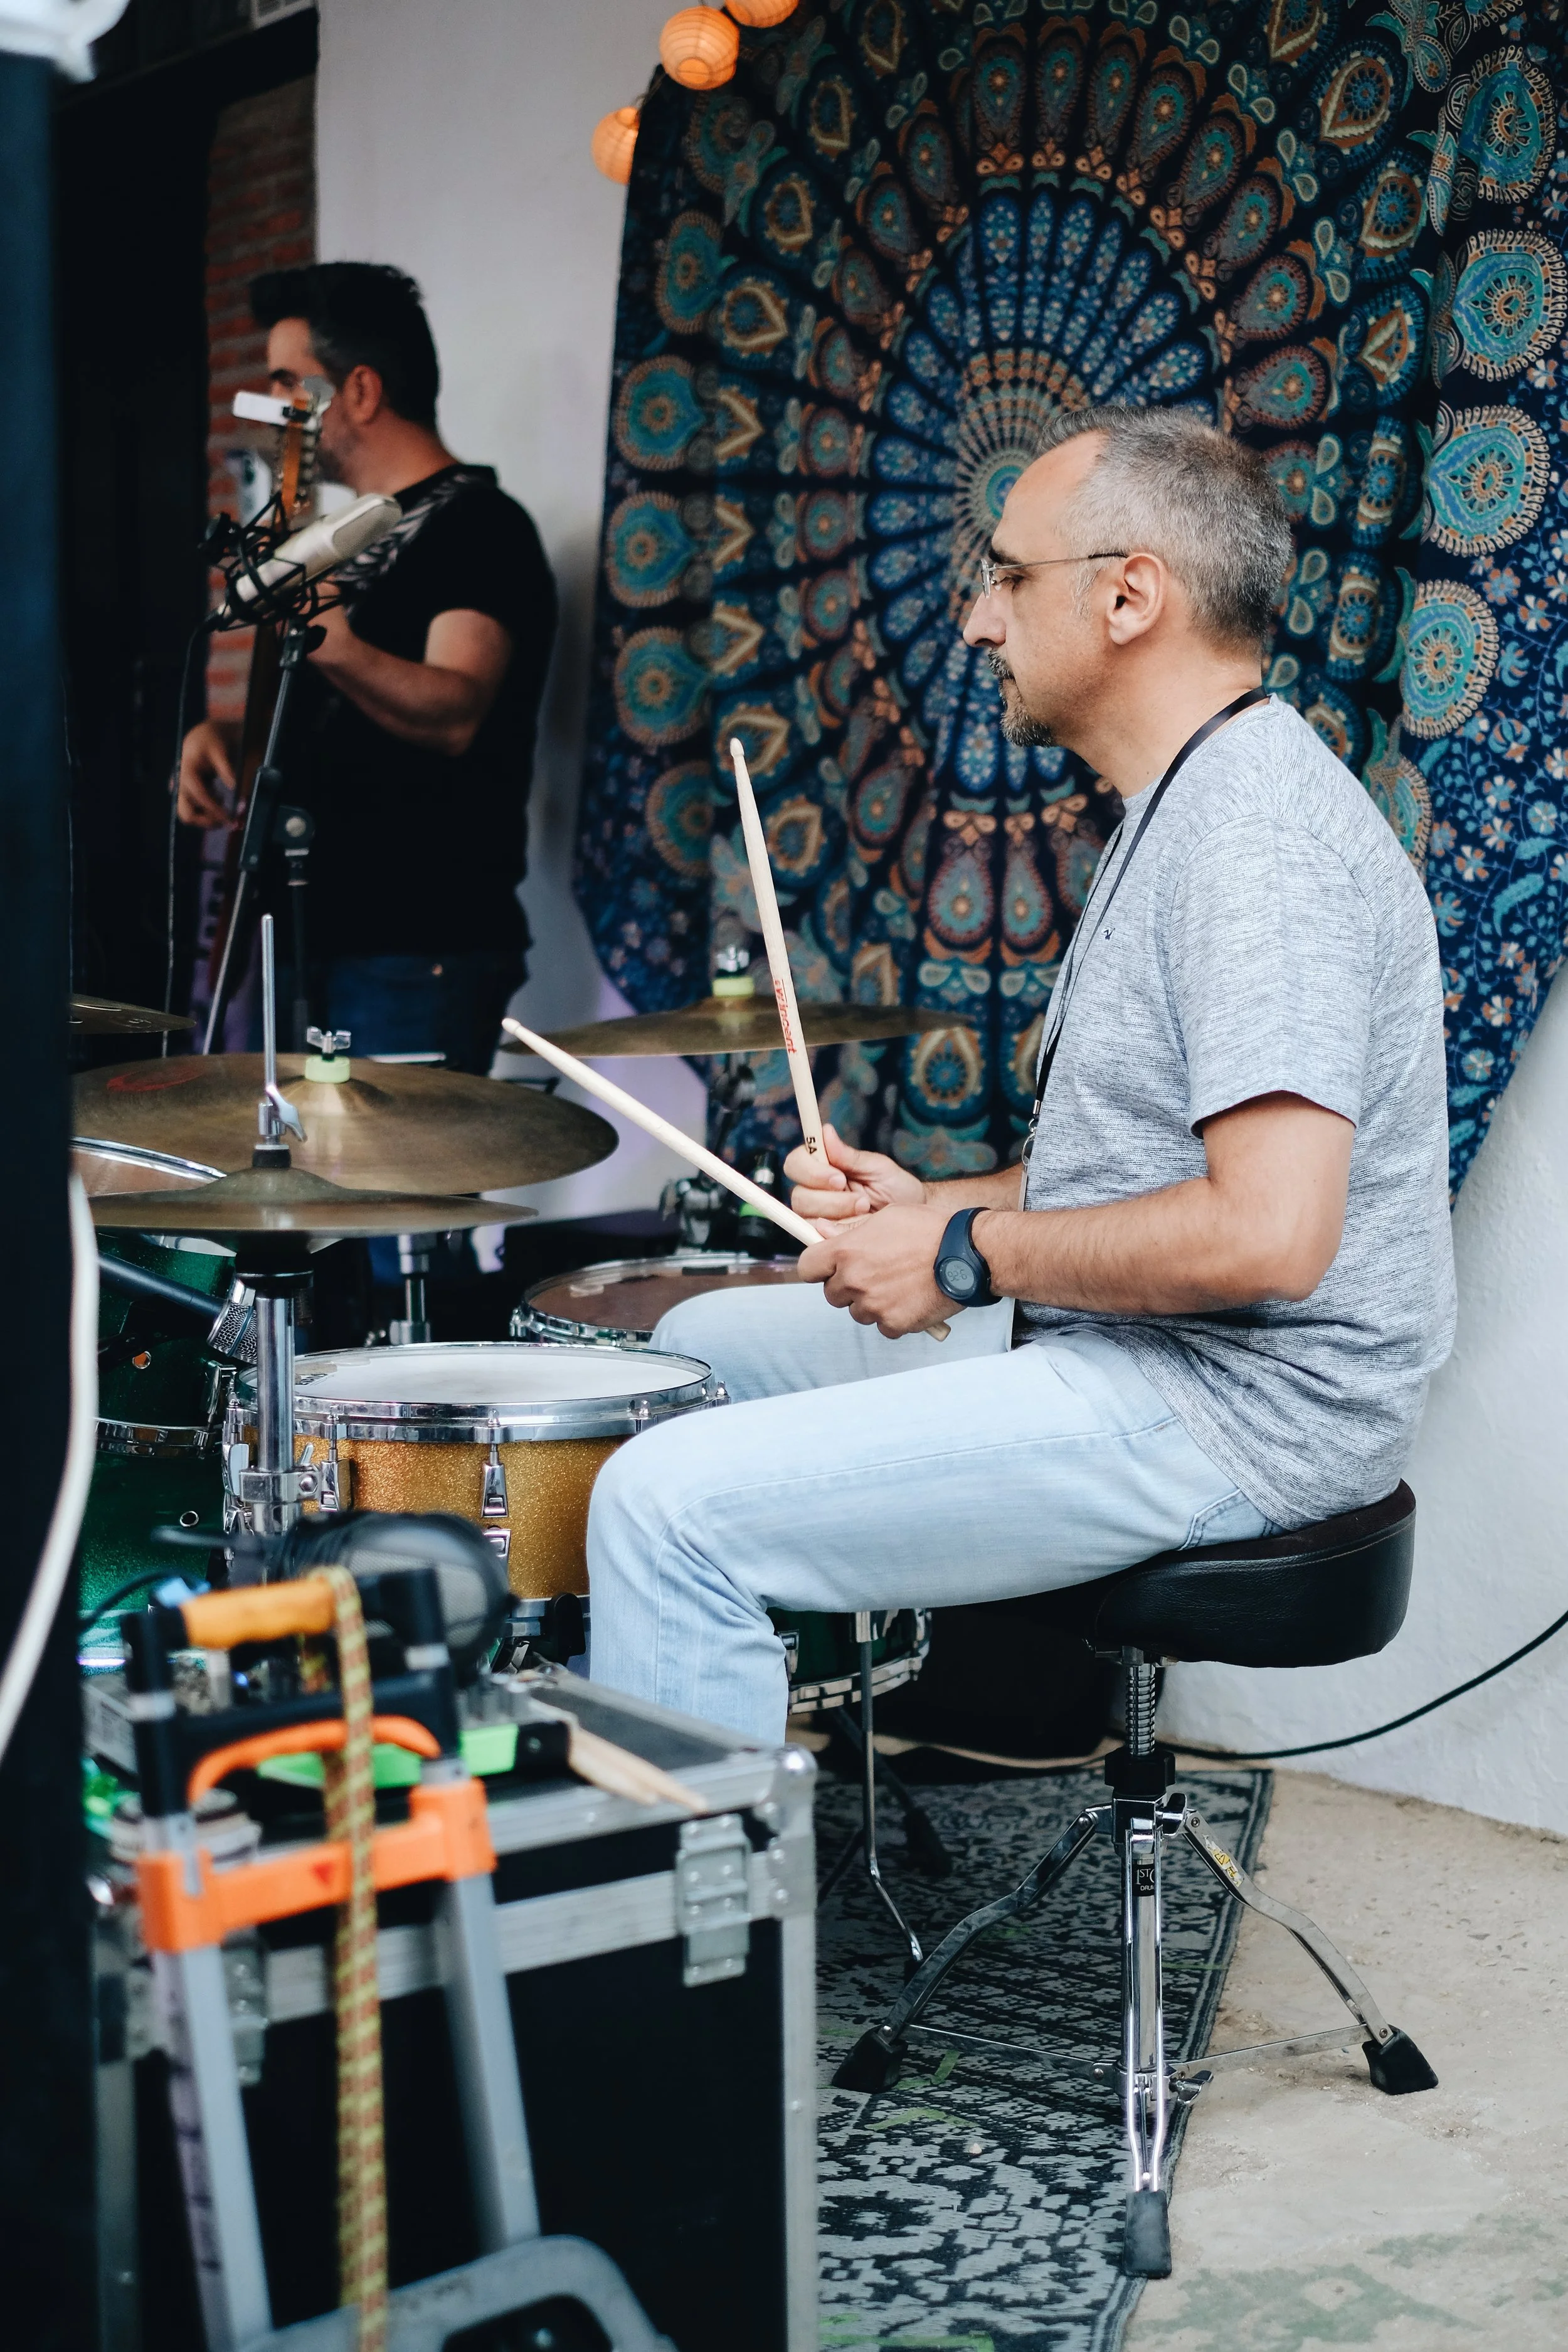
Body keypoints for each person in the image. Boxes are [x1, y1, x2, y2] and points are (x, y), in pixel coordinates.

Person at [586, 404, 1456, 1744]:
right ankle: (747, 1757)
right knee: (696, 1348)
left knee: (662, 1501)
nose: (978, 621)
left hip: (1235, 1413)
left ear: (1127, 596)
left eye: (1004, 575)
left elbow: (1270, 1237)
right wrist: (936, 1208)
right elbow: (1139, 1174)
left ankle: (697, 1941)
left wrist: (963, 1256)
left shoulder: (1254, 847)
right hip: (1142, 1353)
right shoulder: (1180, 807)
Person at [178, 262, 557, 1073]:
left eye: (287, 381)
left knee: (390, 1201)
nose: (274, 406)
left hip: (415, 944)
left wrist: (335, 641)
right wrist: (233, 734)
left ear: (358, 390)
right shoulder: (345, 535)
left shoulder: (481, 526)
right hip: (308, 930)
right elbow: (340, 719)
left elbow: (456, 710)